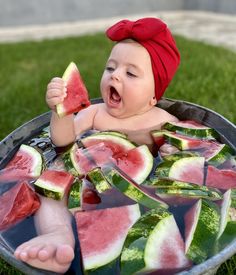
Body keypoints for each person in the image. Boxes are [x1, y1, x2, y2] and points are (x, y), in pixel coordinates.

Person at [14, 17, 180, 273]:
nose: (115, 76)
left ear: (154, 96)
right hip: (84, 179)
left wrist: (174, 153)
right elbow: (62, 140)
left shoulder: (164, 121)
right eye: (110, 68)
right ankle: (58, 234)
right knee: (50, 189)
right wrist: (61, 111)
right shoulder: (95, 113)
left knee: (166, 200)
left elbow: (186, 150)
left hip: (139, 189)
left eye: (131, 73)